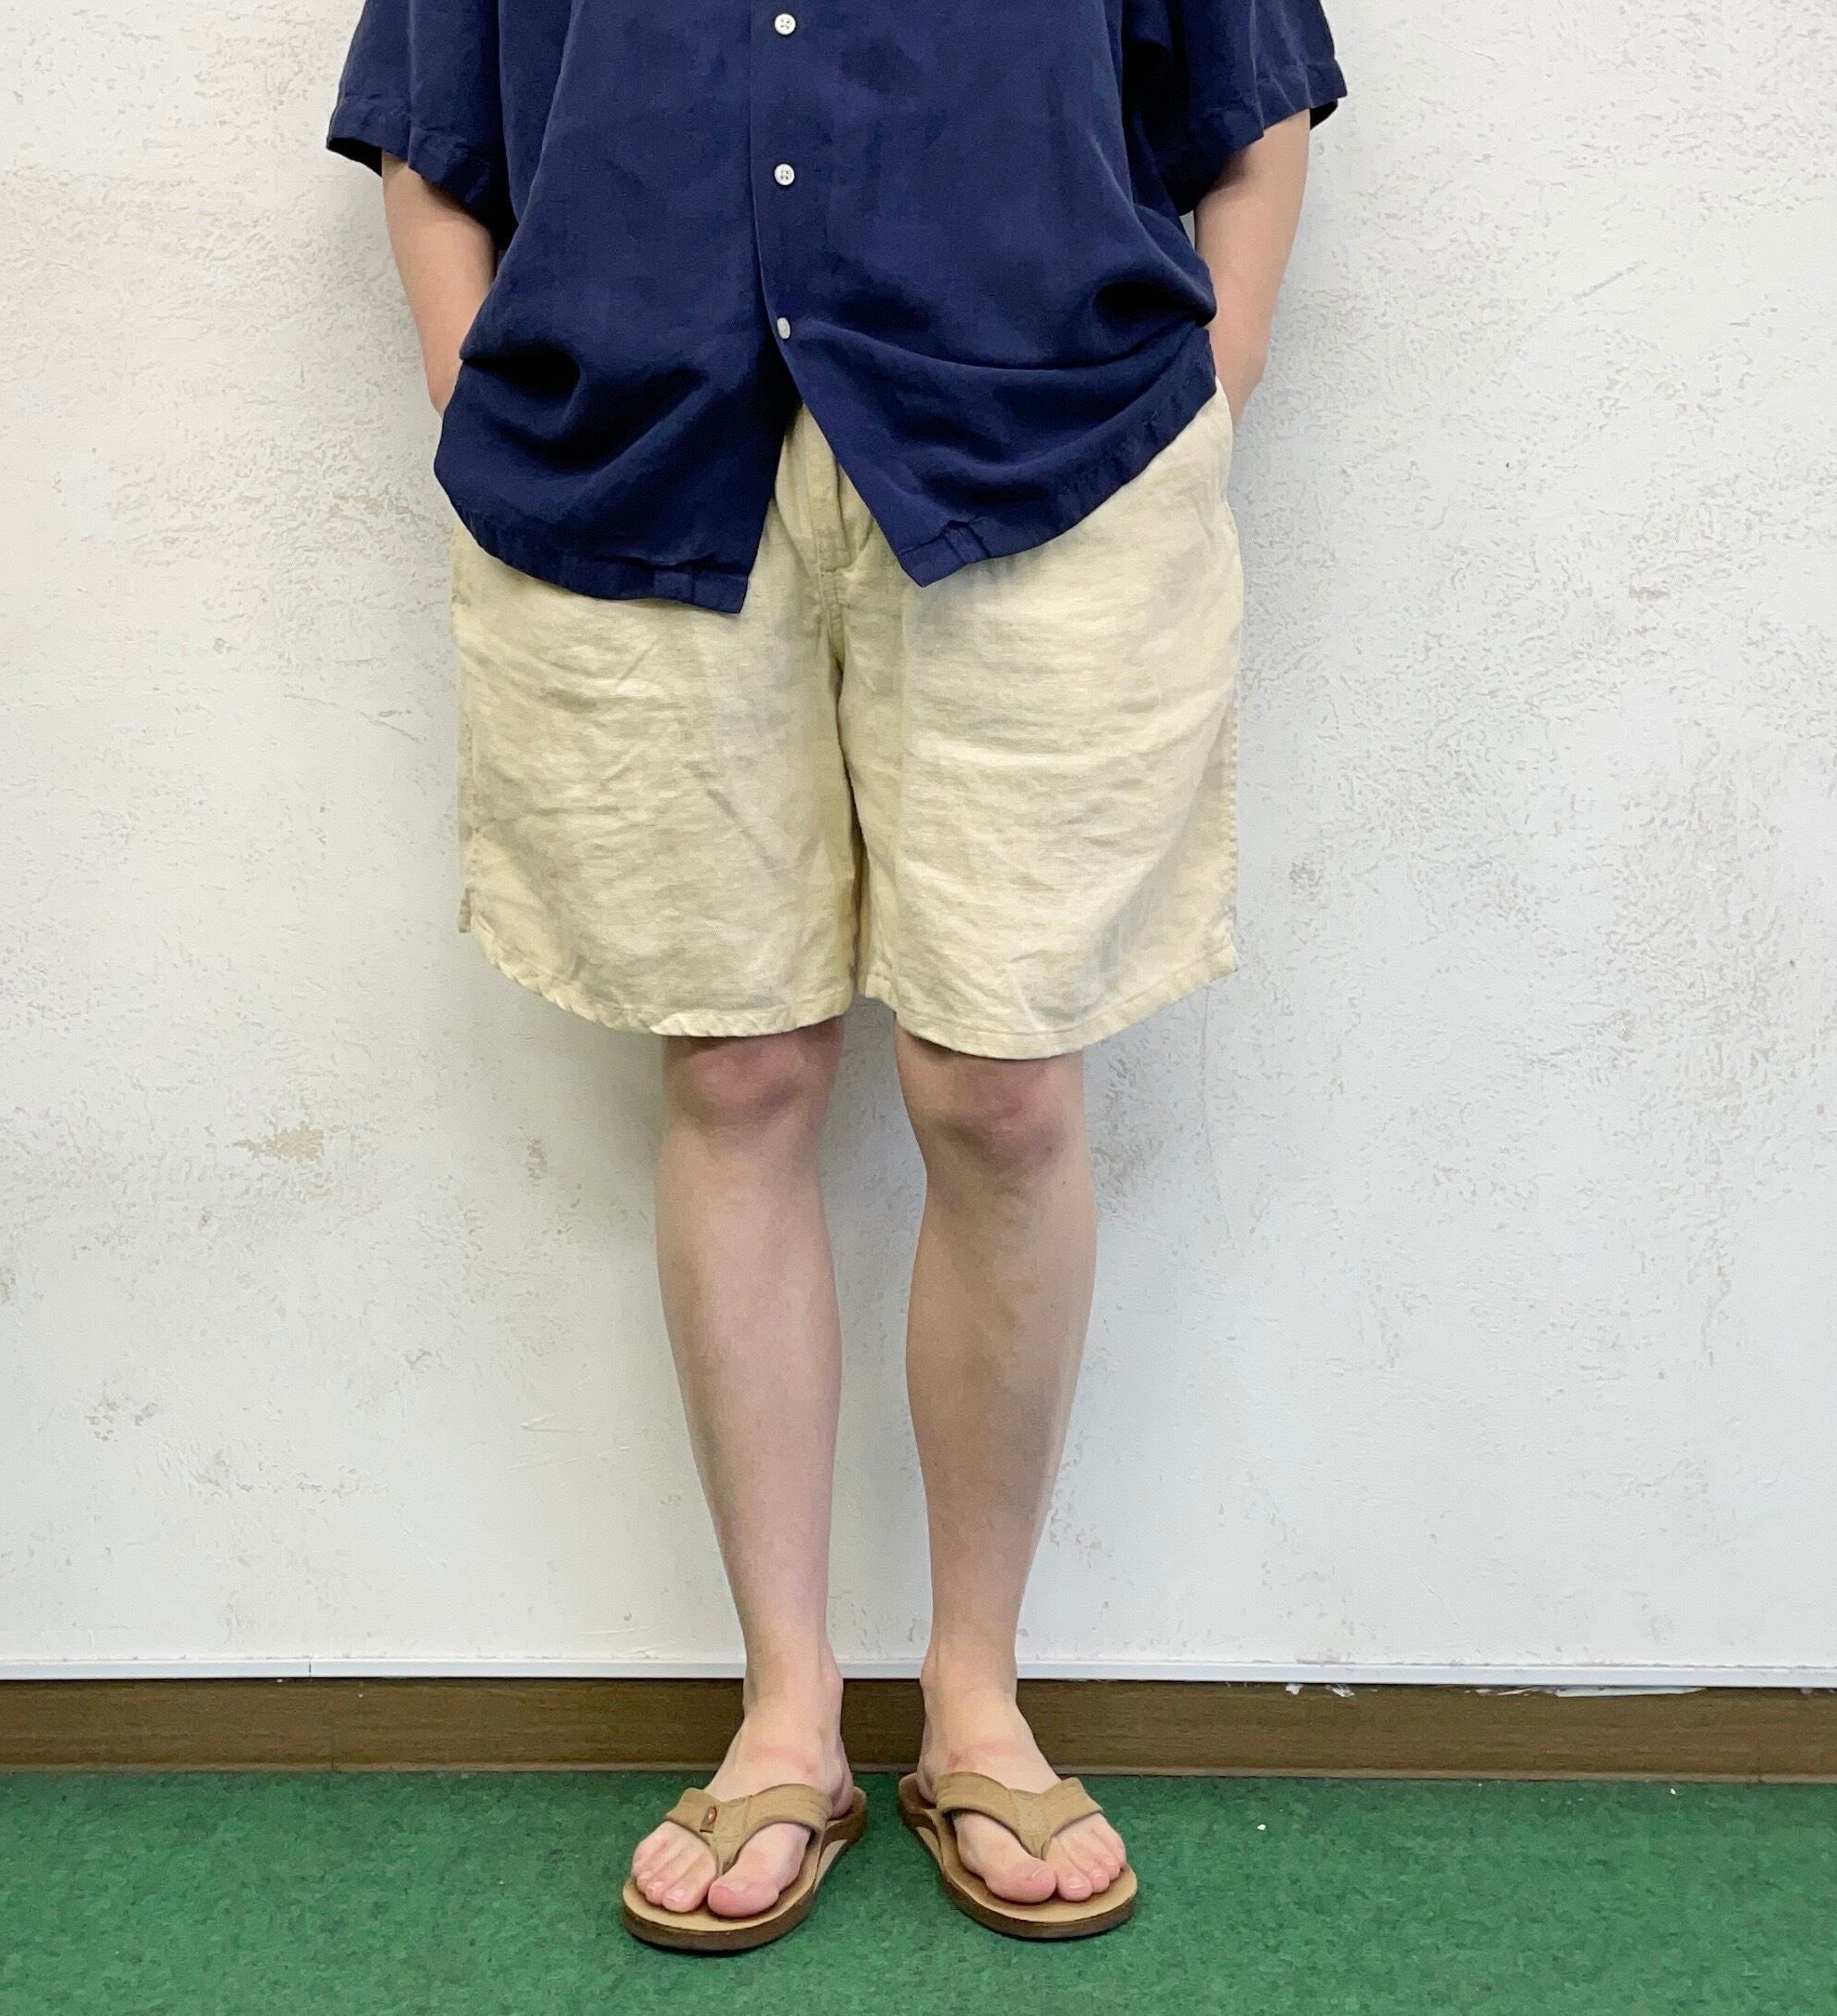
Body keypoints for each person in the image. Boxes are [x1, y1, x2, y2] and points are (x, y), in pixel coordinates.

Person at [327, 0, 1343, 1950]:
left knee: (1003, 1084)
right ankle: (784, 1714)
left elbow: (1250, 89)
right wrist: (470, 385)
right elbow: (429, 116)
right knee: (735, 1070)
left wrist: (1218, 376)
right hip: (634, 462)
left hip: (1050, 455)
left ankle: (977, 1702)